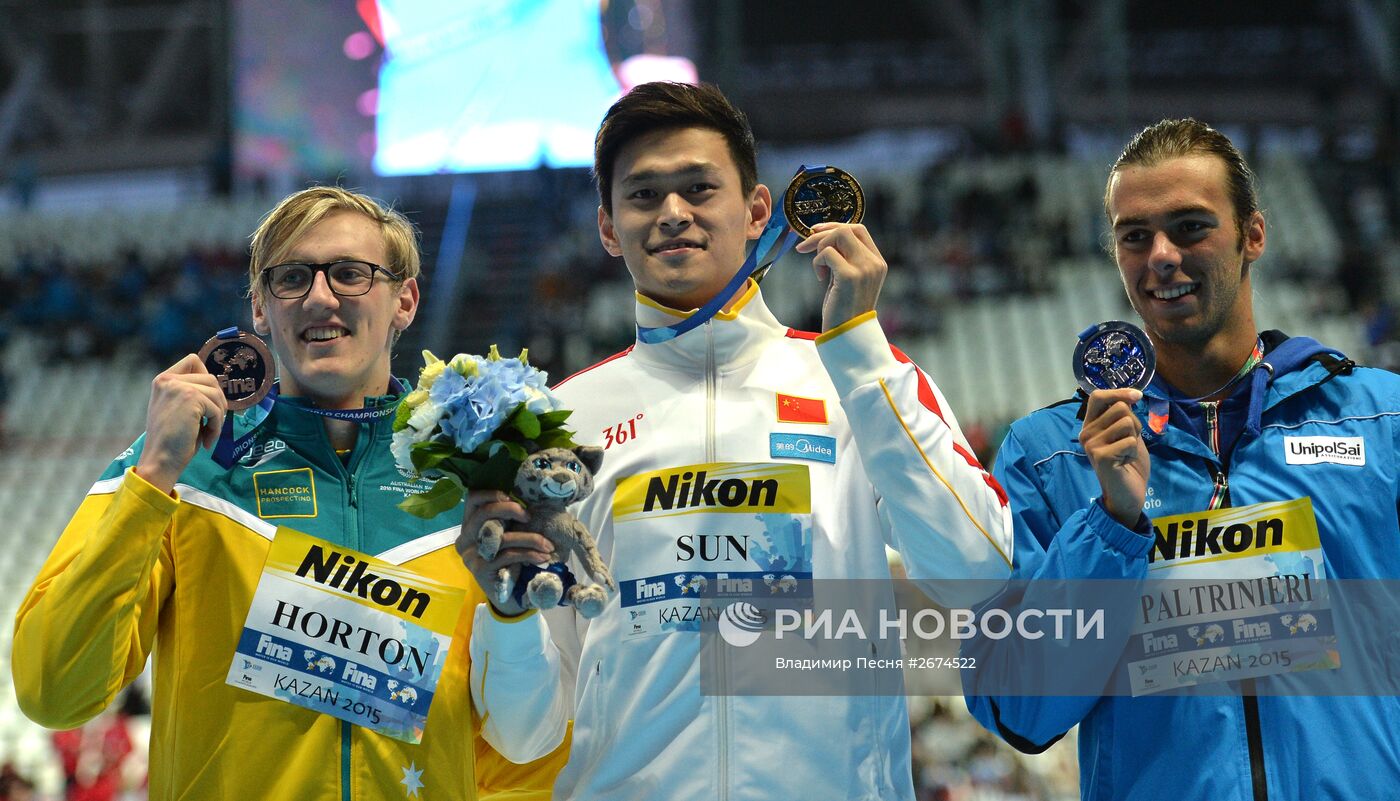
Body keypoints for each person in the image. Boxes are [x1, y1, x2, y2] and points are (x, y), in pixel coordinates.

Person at [459, 81, 1014, 800]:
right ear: (606, 227)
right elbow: (523, 730)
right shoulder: (563, 424)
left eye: (698, 187)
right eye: (643, 195)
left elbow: (976, 574)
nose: (673, 214)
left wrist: (860, 350)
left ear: (756, 210)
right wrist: (505, 618)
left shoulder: (856, 377)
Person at [12, 186, 563, 800]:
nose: (320, 297)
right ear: (259, 308)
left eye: (351, 274)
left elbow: (525, 753)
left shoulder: (470, 483)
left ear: (405, 299)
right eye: (292, 278)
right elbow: (53, 691)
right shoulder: (186, 469)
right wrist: (154, 476)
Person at [962, 119, 1400, 800]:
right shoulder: (1051, 455)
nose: (1160, 255)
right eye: (1135, 236)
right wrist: (1111, 524)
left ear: (1253, 234)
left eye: (1191, 227)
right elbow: (1016, 707)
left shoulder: (1380, 420)